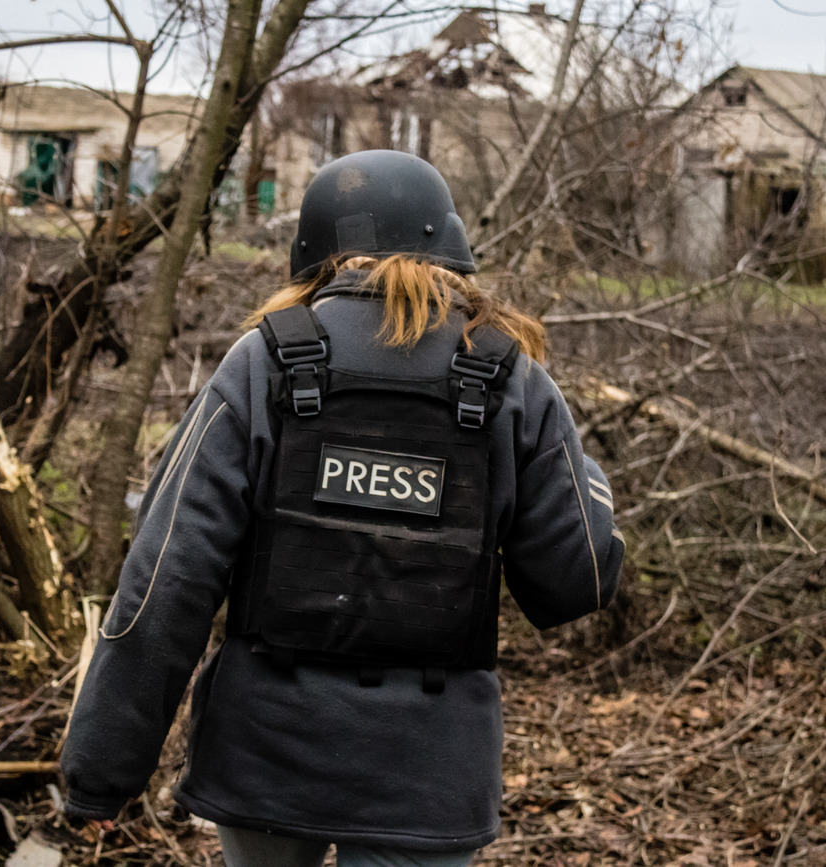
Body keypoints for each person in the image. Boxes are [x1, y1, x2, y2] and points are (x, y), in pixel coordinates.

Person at [62, 149, 624, 867]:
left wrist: (101, 774)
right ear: (446, 245)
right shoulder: (513, 377)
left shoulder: (262, 364)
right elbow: (577, 576)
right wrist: (575, 466)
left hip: (265, 757)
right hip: (428, 776)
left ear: (315, 251)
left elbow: (165, 579)